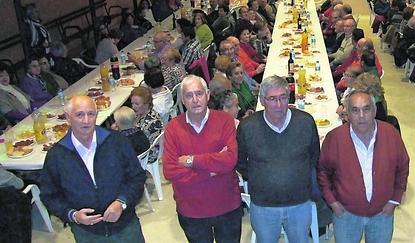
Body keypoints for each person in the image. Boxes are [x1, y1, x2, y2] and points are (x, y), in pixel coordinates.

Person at [41, 96, 146, 242]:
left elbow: (137, 176)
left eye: (91, 114)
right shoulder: (57, 156)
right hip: (87, 234)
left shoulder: (116, 141)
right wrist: (72, 215)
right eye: (79, 115)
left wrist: (122, 202)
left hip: (126, 227)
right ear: (68, 118)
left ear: (97, 116)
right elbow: (49, 196)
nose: (86, 120)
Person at [318, 89, 409, 243]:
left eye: (366, 109)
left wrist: (394, 200)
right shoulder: (335, 138)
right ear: (347, 113)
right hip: (346, 215)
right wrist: (333, 202)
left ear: (374, 110)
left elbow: (403, 168)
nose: (361, 116)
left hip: (382, 214)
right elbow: (323, 172)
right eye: (355, 110)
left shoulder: (391, 134)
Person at [237, 75, 320, 242]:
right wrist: (263, 177)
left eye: (283, 97)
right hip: (263, 205)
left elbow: (314, 157)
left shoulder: (305, 122)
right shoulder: (248, 127)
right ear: (262, 100)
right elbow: (240, 163)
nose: (279, 104)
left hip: (299, 203)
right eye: (272, 99)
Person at [162, 75, 242, 243]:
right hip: (191, 211)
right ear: (183, 100)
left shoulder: (225, 121)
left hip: (227, 206)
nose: (195, 100)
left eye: (199, 93)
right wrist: (212, 171)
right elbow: (170, 171)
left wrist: (192, 161)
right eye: (189, 95)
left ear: (207, 95)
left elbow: (230, 160)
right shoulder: (172, 128)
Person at [131, 87, 164, 164]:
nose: (133, 107)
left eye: (137, 104)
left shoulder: (150, 123)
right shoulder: (145, 113)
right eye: (132, 103)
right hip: (146, 148)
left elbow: (138, 145)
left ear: (146, 104)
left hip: (147, 155)